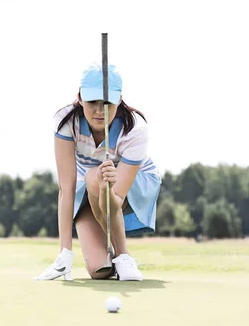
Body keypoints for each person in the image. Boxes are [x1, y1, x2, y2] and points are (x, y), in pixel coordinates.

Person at [35, 62, 161, 282]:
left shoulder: (135, 130)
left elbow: (117, 198)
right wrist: (65, 251)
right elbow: (66, 187)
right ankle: (109, 260)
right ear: (79, 98)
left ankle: (123, 256)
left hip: (135, 185)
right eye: (91, 101)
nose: (98, 110)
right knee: (98, 269)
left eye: (107, 103)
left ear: (119, 99)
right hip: (88, 190)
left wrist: (108, 182)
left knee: (97, 178)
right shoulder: (66, 121)